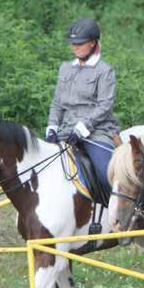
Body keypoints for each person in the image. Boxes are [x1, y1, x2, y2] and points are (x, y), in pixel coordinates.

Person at [46, 18, 119, 192]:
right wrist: (52, 127)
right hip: (66, 131)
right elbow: (57, 102)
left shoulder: (104, 71)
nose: (75, 47)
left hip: (96, 132)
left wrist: (83, 127)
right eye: (73, 43)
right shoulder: (65, 68)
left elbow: (104, 105)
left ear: (93, 43)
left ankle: (119, 215)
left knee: (105, 173)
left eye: (80, 43)